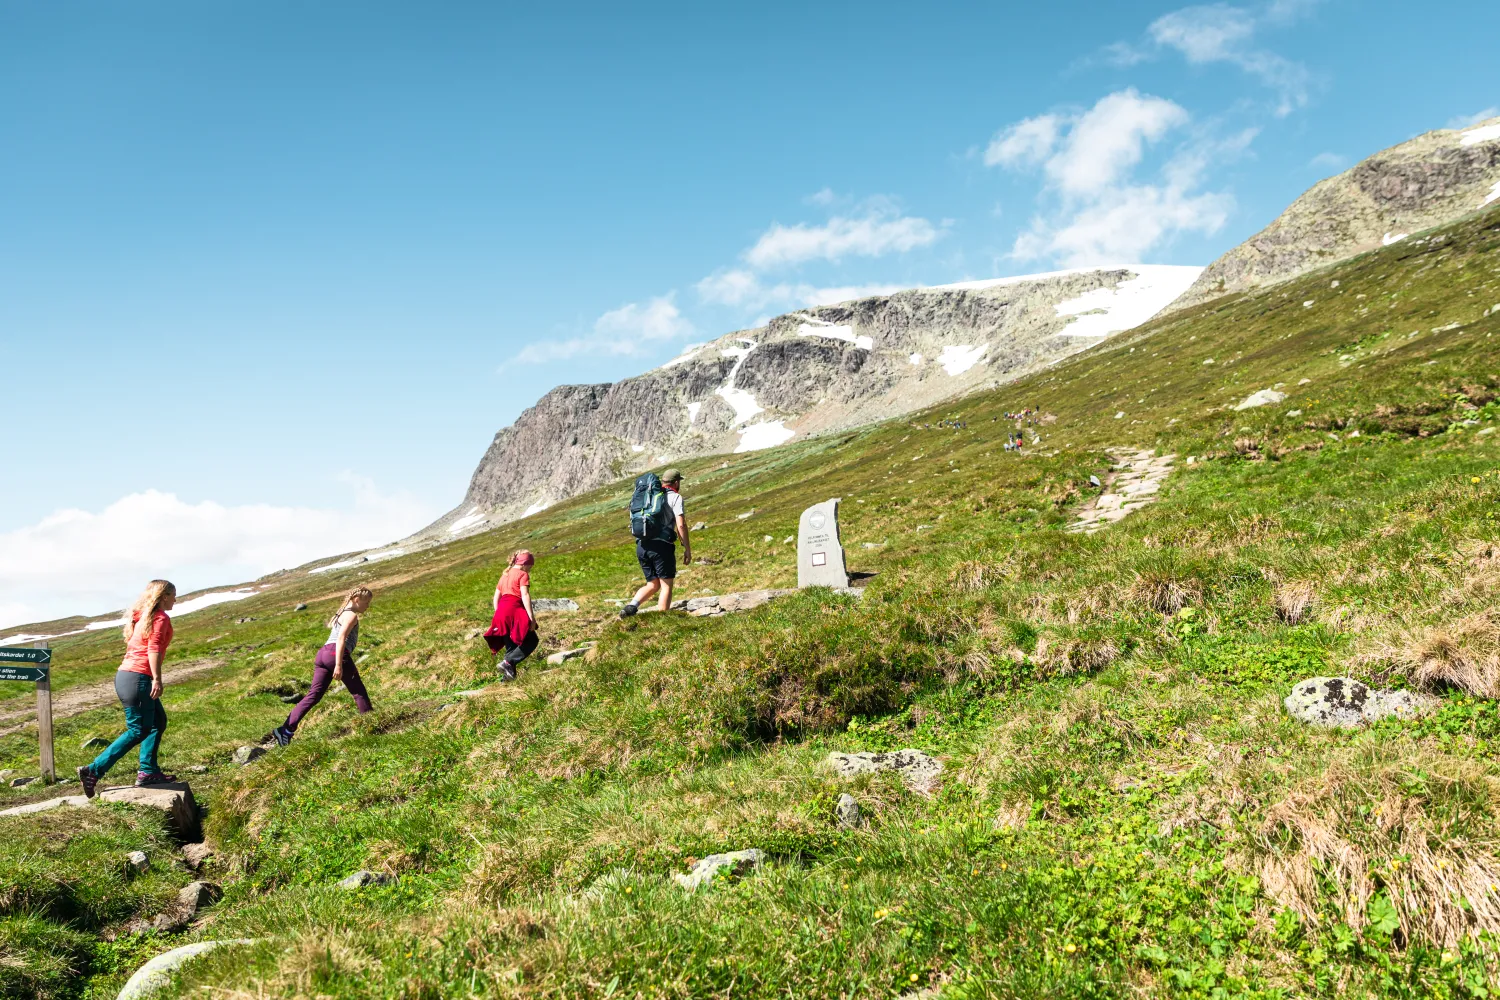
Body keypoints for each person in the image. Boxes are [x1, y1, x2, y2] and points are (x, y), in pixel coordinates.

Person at [77, 579, 178, 796]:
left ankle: (148, 772)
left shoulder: (141, 617)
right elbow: (153, 649)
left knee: (157, 722)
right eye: (173, 595)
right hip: (138, 678)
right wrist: (157, 679)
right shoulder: (159, 618)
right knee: (138, 730)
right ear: (164, 596)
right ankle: (93, 770)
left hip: (127, 676)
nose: (175, 600)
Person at [272, 586, 374, 746]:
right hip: (335, 654)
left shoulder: (340, 613)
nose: (368, 606)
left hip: (323, 654)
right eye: (367, 602)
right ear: (356, 600)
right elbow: (341, 638)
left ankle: (285, 730)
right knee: (358, 691)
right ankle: (372, 725)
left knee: (313, 695)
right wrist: (339, 665)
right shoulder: (351, 615)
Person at [620, 467, 691, 617]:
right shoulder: (675, 498)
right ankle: (662, 620)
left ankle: (631, 607)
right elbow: (681, 525)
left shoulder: (650, 496)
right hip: (661, 547)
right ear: (676, 482)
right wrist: (686, 548)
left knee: (652, 584)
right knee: (666, 585)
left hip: (642, 545)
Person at [484, 550, 538, 681]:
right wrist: (531, 618)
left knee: (511, 646)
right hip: (514, 610)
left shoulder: (505, 575)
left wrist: (499, 613)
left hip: (501, 612)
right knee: (531, 641)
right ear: (525, 563)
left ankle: (507, 680)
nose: (530, 570)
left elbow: (496, 597)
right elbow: (525, 595)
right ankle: (507, 663)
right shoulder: (522, 574)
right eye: (530, 566)